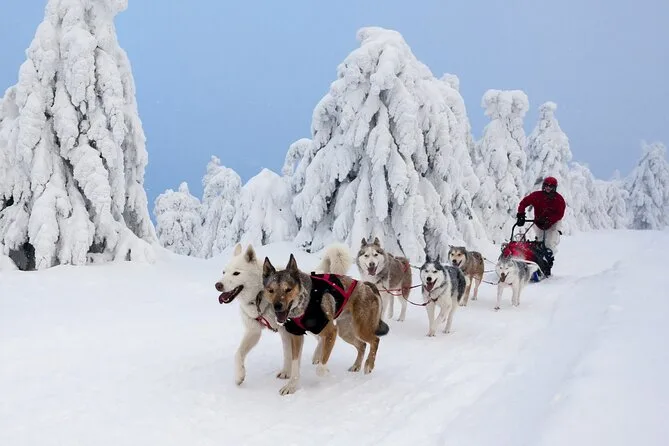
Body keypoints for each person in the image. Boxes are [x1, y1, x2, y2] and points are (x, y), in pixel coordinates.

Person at [516, 176, 566, 254]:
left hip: (553, 223)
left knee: (549, 242)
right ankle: (536, 256)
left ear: (554, 188)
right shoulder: (537, 195)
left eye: (551, 186)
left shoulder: (559, 199)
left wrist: (549, 220)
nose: (548, 188)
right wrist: (521, 214)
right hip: (539, 222)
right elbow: (524, 203)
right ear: (543, 186)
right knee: (540, 241)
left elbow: (560, 214)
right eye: (546, 185)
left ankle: (549, 255)